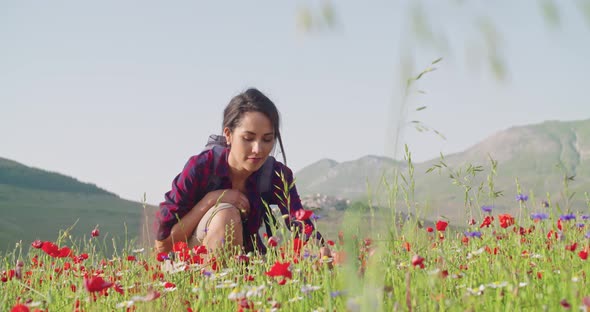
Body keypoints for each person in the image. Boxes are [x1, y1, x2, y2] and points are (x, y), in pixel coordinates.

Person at [154, 88, 329, 258]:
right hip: (189, 265)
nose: (258, 149)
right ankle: (216, 284)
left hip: (247, 264)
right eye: (248, 138)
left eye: (267, 139)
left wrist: (323, 252)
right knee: (226, 214)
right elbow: (163, 245)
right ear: (228, 134)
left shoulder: (276, 175)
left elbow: (300, 225)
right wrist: (213, 199)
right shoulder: (201, 168)